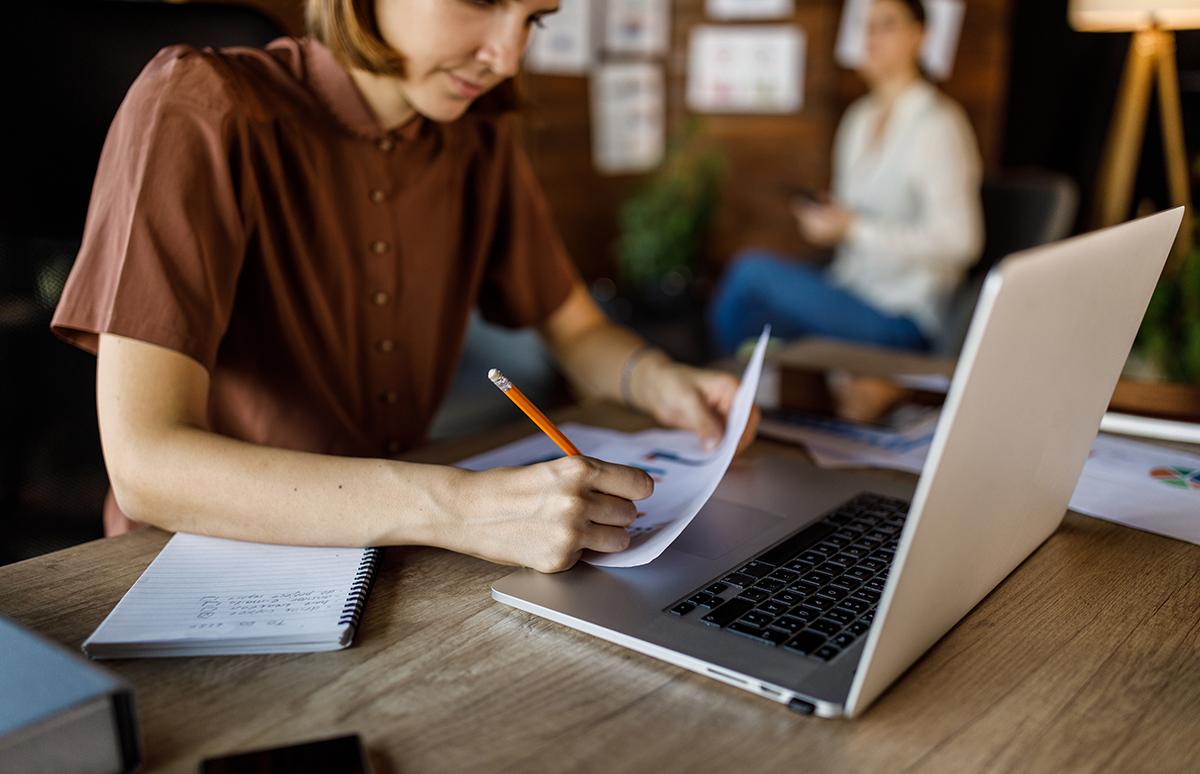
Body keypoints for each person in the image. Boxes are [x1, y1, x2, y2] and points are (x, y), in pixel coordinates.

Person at [51, 0, 757, 574]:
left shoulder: (479, 136)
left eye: (535, 20)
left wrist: (663, 382)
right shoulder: (199, 105)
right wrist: (457, 506)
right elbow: (147, 464)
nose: (508, 57)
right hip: (206, 563)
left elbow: (574, 329)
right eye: (481, 3)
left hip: (396, 560)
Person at [708, 0, 983, 356]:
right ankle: (747, 395)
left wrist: (854, 228)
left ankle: (724, 402)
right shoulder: (859, 119)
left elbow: (961, 241)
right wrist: (830, 221)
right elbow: (850, 219)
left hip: (901, 314)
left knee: (749, 274)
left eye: (887, 26)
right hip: (848, 289)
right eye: (866, 27)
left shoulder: (939, 125)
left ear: (919, 36)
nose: (871, 38)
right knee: (750, 316)